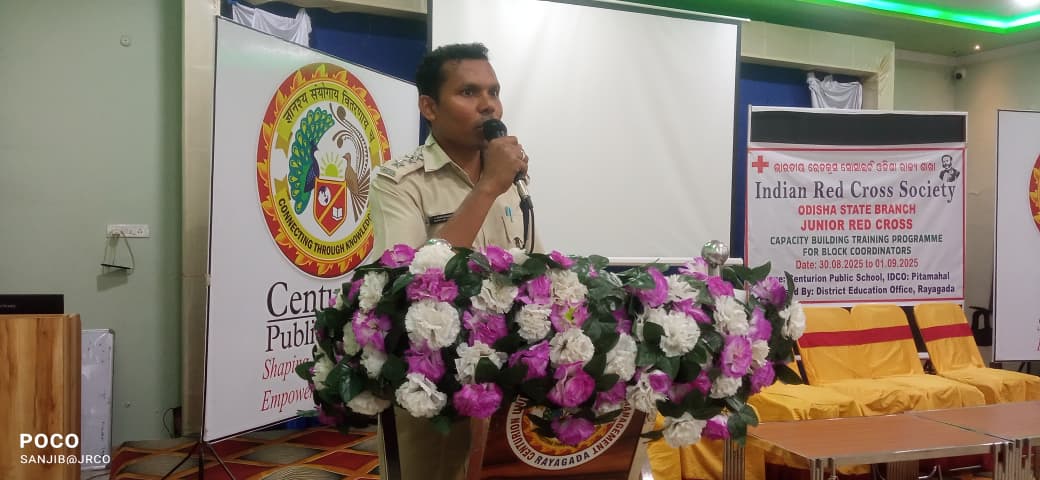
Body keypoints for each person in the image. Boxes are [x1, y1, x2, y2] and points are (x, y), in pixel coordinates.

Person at [369, 43, 539, 480]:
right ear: (429, 106)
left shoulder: (512, 179)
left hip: (505, 379)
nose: (488, 104)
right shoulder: (399, 181)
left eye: (494, 91)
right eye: (468, 92)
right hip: (434, 381)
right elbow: (408, 280)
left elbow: (532, 266)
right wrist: (486, 188)